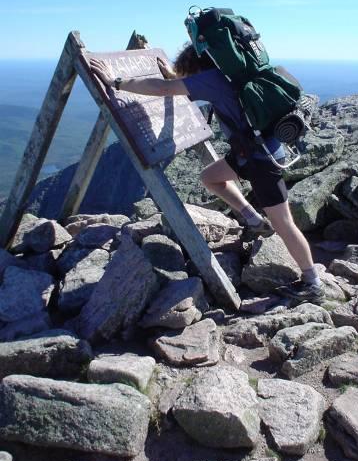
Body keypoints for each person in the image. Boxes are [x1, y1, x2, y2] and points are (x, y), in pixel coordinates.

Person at [90, 44, 324, 304]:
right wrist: (173, 74)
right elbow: (179, 83)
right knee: (211, 178)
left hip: (261, 161)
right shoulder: (227, 75)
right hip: (252, 153)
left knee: (284, 224)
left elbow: (162, 89)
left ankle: (312, 281)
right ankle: (256, 222)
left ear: (198, 67)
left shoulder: (212, 81)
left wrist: (115, 82)